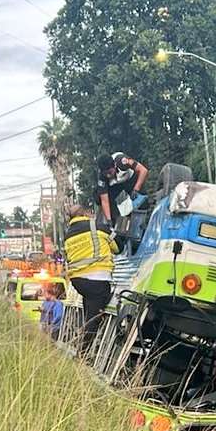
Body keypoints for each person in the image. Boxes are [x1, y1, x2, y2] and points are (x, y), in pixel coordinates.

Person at [65, 205, 121, 354]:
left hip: (78, 281)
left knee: (89, 308)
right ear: (86, 213)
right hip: (98, 279)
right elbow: (118, 247)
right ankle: (82, 352)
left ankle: (81, 339)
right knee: (94, 317)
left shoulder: (68, 234)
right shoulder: (98, 227)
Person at [95, 152, 149, 229]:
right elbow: (105, 200)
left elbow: (143, 170)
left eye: (110, 172)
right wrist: (109, 220)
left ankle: (145, 221)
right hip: (115, 185)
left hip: (130, 179)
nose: (108, 175)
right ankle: (117, 224)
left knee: (142, 200)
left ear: (114, 165)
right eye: (105, 173)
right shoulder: (102, 178)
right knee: (98, 197)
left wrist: (136, 189)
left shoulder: (122, 161)